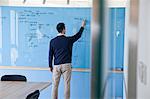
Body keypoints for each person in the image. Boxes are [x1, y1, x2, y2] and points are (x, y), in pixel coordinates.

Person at [49, 20, 86, 99]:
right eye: (65, 28)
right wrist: (82, 26)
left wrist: (50, 66)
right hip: (66, 65)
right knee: (67, 84)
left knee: (55, 85)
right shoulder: (68, 40)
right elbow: (78, 35)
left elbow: (50, 55)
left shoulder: (52, 41)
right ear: (63, 29)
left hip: (56, 65)